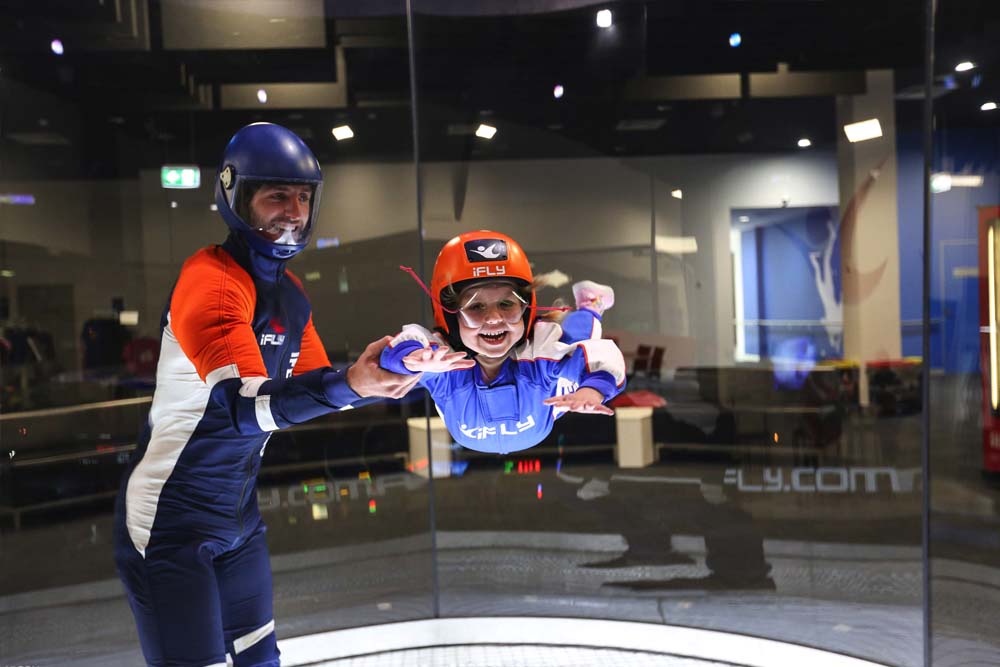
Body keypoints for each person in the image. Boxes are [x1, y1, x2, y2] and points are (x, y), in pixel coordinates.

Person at [112, 122, 418, 667]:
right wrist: (351, 384)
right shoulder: (210, 278)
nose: (294, 212)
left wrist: (408, 363)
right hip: (168, 522)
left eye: (303, 197)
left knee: (261, 662)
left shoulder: (290, 296)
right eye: (277, 195)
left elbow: (317, 388)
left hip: (239, 517)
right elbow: (244, 408)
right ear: (236, 195)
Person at [380, 230, 626, 454]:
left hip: (548, 403)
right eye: (476, 307)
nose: (494, 319)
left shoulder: (541, 355)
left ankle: (591, 305)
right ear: (451, 318)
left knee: (578, 339)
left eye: (506, 304)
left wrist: (591, 390)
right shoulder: (443, 364)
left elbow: (602, 357)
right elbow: (407, 343)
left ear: (525, 309)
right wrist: (410, 358)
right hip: (526, 423)